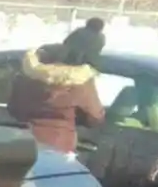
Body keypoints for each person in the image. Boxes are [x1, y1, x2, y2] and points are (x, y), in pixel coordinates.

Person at [8, 18, 106, 154]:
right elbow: (95, 118)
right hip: (59, 145)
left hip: (23, 141)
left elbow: (14, 108)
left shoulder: (29, 73)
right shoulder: (81, 81)